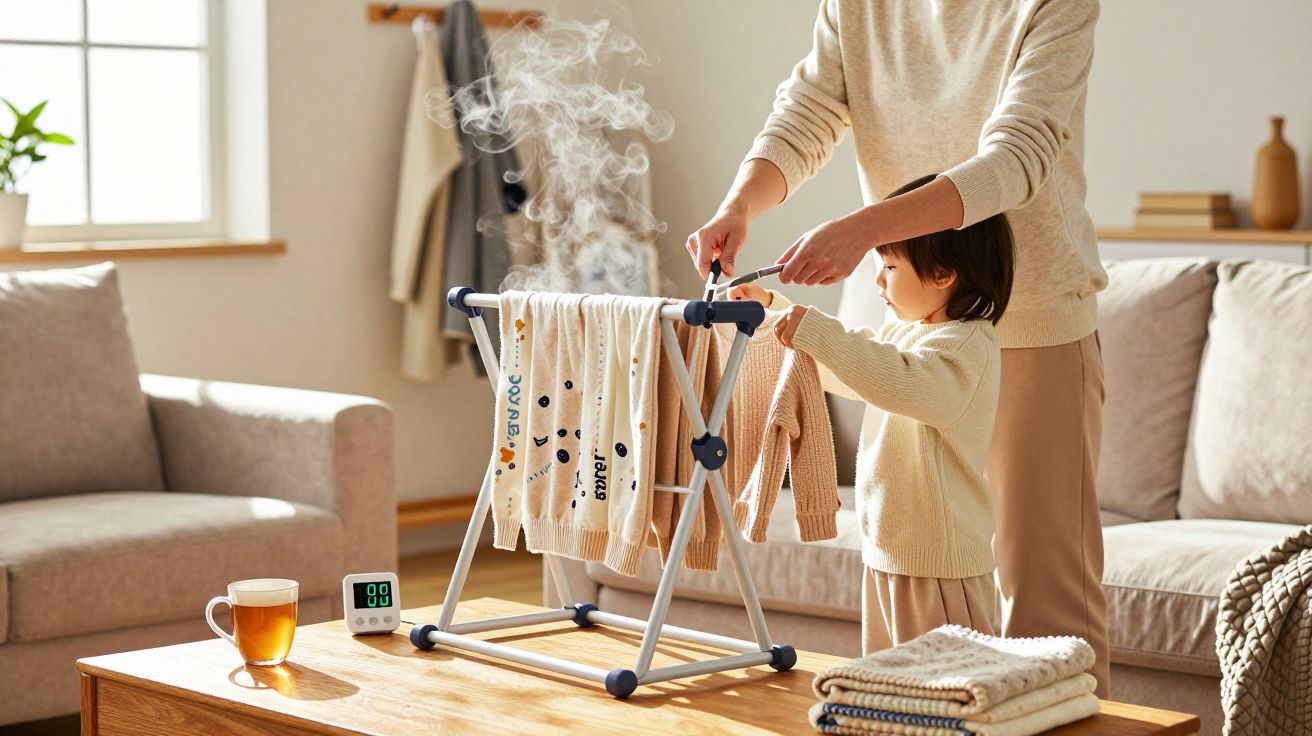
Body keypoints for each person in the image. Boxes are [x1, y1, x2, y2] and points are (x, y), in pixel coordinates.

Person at [687, 0, 1110, 695]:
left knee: (1047, 608)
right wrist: (739, 205)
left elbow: (1018, 155)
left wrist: (868, 230)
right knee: (905, 573)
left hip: (1034, 322)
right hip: (898, 322)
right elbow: (808, 110)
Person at [733, 174, 1014, 651]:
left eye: (889, 267)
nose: (879, 281)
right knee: (887, 691)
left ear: (944, 273)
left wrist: (814, 330)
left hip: (938, 566)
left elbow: (900, 381)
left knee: (945, 699)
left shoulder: (967, 345)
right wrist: (774, 312)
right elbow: (853, 368)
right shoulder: (909, 333)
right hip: (888, 553)